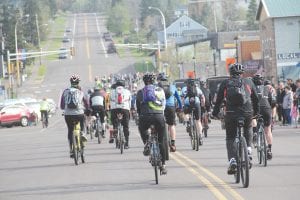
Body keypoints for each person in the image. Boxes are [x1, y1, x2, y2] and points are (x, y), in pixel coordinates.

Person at [212, 63, 259, 175]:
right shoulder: (248, 82)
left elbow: (218, 101)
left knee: (230, 137)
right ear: (242, 73)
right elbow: (256, 98)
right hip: (247, 112)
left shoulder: (225, 83)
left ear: (230, 73)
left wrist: (215, 113)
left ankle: (232, 160)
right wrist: (256, 113)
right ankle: (248, 150)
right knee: (248, 129)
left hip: (231, 113)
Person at [136, 73, 167, 174]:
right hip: (159, 116)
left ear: (144, 82)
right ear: (154, 81)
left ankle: (146, 143)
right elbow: (164, 106)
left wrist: (142, 115)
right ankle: (163, 165)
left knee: (142, 128)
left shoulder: (140, 92)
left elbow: (138, 109)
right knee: (161, 141)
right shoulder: (160, 90)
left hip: (145, 117)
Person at [60, 74, 88, 158]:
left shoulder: (65, 91)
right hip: (79, 113)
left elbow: (62, 105)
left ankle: (72, 150)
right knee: (82, 122)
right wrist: (87, 110)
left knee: (70, 130)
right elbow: (86, 103)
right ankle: (82, 133)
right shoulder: (80, 92)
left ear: (70, 82)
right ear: (78, 82)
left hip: (68, 114)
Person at [157, 72, 182, 152]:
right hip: (171, 107)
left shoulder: (156, 87)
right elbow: (178, 98)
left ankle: (159, 142)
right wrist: (180, 107)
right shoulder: (172, 86)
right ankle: (173, 144)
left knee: (158, 125)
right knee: (171, 125)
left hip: (160, 107)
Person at [252, 75, 276, 159]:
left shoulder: (252, 87)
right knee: (268, 130)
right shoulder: (267, 88)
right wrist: (273, 117)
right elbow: (273, 103)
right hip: (267, 109)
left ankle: (254, 132)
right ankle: (269, 149)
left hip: (256, 109)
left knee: (253, 118)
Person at [181, 78, 205, 144]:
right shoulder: (197, 88)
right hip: (196, 104)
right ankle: (200, 137)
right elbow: (202, 97)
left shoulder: (184, 89)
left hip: (187, 104)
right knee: (198, 121)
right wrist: (203, 104)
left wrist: (182, 106)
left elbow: (182, 98)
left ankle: (188, 123)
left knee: (185, 114)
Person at [109, 78, 131, 149]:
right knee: (126, 126)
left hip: (114, 109)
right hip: (125, 109)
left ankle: (114, 134)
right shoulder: (127, 91)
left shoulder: (112, 91)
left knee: (115, 124)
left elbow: (110, 102)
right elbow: (129, 102)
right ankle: (127, 143)